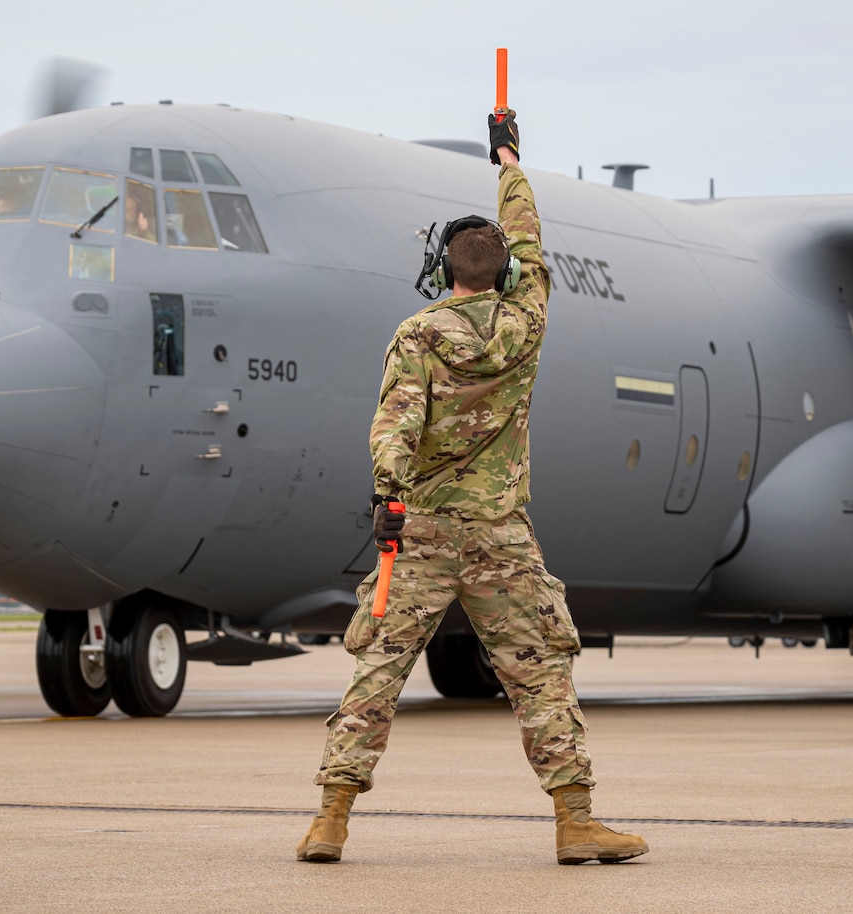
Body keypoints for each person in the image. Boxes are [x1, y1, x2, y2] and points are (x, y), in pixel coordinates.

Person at [297, 109, 648, 866]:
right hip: (500, 535)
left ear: (442, 269)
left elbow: (392, 426)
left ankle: (330, 819)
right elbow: (530, 240)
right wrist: (508, 159)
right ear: (507, 273)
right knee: (539, 674)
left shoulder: (419, 334)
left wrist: (390, 495)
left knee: (379, 673)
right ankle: (575, 821)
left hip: (421, 530)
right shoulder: (527, 322)